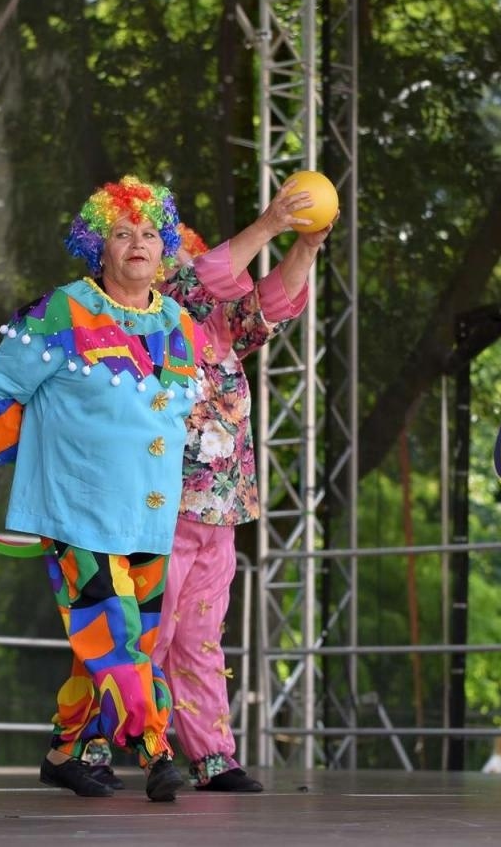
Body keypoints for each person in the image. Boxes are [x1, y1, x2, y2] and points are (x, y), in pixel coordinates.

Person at [0, 176, 201, 803]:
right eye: (122, 233)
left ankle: (65, 750)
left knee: (111, 640)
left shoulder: (178, 322)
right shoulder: (62, 310)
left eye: (149, 233)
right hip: (78, 507)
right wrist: (6, 463)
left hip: (150, 512)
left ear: (164, 247)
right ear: (98, 247)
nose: (137, 243)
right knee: (116, 633)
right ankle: (155, 747)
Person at [149, 190, 328, 792]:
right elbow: (199, 282)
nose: (190, 269)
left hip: (220, 513)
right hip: (163, 509)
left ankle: (211, 756)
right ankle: (126, 744)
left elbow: (273, 303)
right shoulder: (157, 321)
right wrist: (270, 224)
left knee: (200, 640)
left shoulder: (222, 334)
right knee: (150, 634)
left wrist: (305, 247)